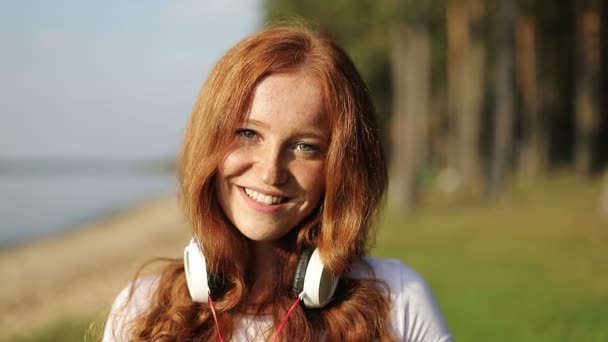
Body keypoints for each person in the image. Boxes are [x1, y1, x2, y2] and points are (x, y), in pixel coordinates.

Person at [103, 24, 453, 342]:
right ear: (208, 142)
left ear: (340, 167)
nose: (271, 172)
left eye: (304, 146)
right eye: (248, 133)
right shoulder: (142, 311)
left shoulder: (399, 300)